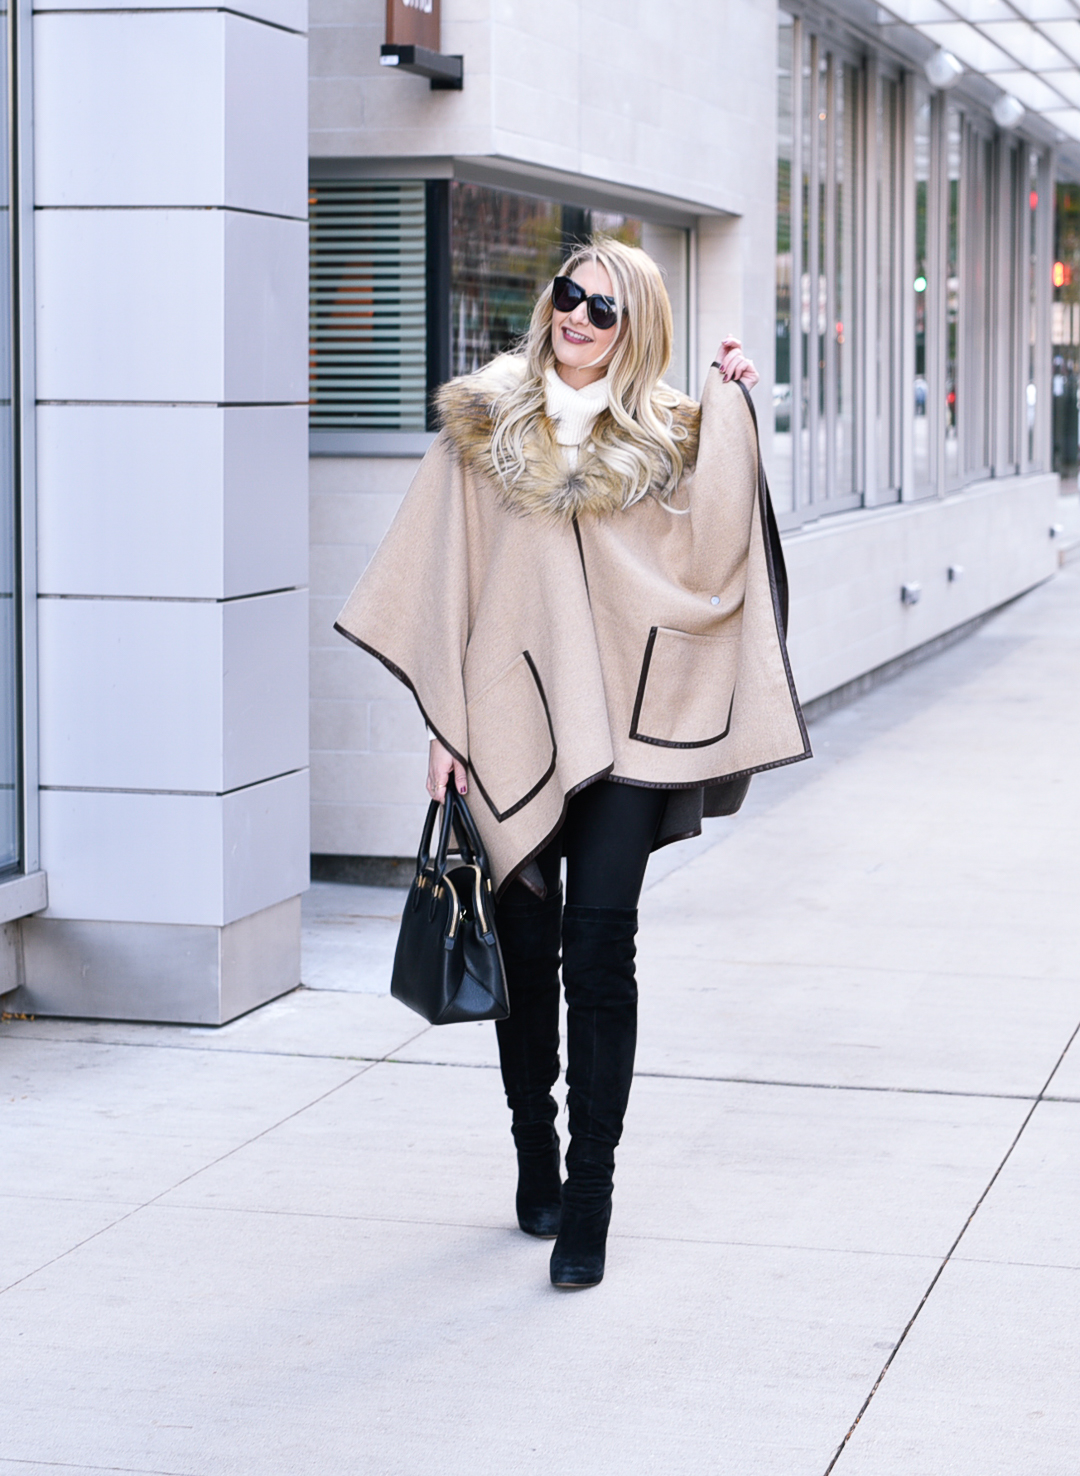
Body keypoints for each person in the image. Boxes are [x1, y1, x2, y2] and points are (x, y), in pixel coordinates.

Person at [335, 237, 809, 1289]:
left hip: (634, 734)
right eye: (569, 296)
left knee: (601, 952)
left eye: (605, 308)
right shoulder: (484, 427)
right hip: (515, 726)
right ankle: (534, 1153)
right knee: (528, 948)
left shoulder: (672, 437)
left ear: (637, 328)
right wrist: (449, 728)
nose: (580, 319)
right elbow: (446, 586)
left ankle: (589, 1196)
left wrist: (734, 412)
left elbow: (717, 554)